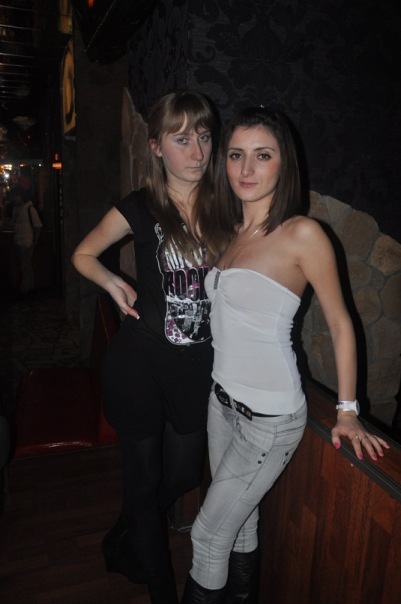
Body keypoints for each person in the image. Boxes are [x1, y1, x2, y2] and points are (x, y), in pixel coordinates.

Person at [181, 107, 390, 603]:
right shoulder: (232, 232)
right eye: (236, 155)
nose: (246, 169)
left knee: (207, 535)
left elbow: (341, 323)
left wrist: (347, 411)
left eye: (262, 155)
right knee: (240, 525)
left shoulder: (303, 234)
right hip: (221, 403)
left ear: (283, 164)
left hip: (269, 419)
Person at [71, 89, 227, 604]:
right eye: (182, 140)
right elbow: (84, 254)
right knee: (143, 481)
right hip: (138, 362)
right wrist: (113, 283)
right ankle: (161, 589)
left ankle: (129, 528)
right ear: (156, 146)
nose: (197, 152)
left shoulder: (226, 206)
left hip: (196, 364)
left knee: (181, 474)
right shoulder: (140, 206)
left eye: (203, 136)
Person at [11, 186, 42, 295]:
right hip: (19, 240)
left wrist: (35, 241)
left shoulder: (30, 209)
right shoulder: (16, 209)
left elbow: (38, 226)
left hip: (27, 241)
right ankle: (29, 287)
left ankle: (25, 289)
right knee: (26, 266)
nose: (14, 198)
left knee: (25, 266)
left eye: (16, 196)